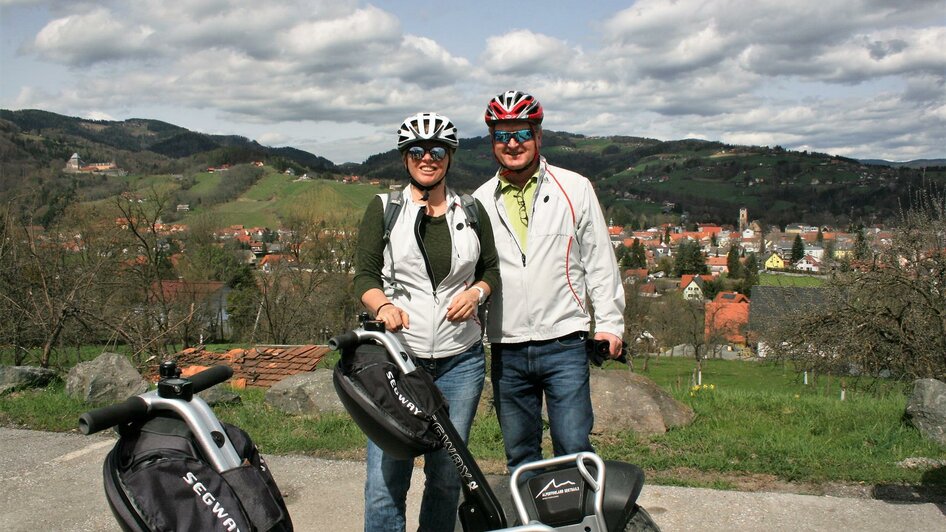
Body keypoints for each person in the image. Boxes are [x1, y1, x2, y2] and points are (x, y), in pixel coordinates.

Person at [353, 112, 500, 532]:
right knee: (386, 478)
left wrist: (476, 293)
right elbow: (364, 274)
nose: (427, 158)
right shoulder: (384, 208)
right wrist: (382, 307)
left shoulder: (470, 209)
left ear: (450, 156)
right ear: (405, 158)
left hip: (460, 361)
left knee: (447, 476)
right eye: (417, 151)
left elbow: (491, 270)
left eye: (437, 150)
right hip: (400, 362)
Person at [472, 90, 626, 474]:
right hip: (506, 344)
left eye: (522, 133)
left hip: (564, 341)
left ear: (539, 136)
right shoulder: (479, 200)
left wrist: (609, 324)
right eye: (502, 135)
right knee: (521, 456)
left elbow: (600, 261)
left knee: (574, 447)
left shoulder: (574, 188)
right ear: (492, 141)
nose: (513, 143)